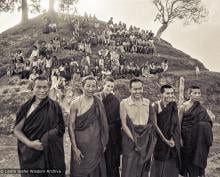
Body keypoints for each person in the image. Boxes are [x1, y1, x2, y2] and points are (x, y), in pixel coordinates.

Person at [14, 76, 66, 177]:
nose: (42, 90)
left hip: (52, 153)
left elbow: (61, 127)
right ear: (33, 87)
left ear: (49, 88)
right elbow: (17, 130)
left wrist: (48, 136)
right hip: (32, 154)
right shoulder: (26, 108)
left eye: (45, 87)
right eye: (38, 87)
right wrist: (30, 143)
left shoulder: (55, 106)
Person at [68, 76, 109, 177]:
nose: (91, 89)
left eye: (93, 86)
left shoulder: (98, 102)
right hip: (80, 146)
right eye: (88, 86)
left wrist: (103, 142)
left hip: (96, 144)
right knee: (80, 170)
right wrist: (75, 148)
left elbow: (103, 123)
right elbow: (70, 126)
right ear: (82, 87)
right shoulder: (75, 104)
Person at [120, 78, 157, 177]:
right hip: (129, 138)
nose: (138, 91)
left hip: (144, 139)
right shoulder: (124, 103)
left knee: (143, 167)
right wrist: (135, 141)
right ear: (130, 89)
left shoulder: (147, 102)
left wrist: (146, 139)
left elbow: (151, 122)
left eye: (140, 88)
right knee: (129, 166)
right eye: (135, 89)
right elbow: (124, 125)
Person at [179, 86, 213, 177]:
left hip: (198, 140)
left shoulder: (201, 108)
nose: (197, 95)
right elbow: (178, 124)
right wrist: (180, 138)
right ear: (189, 94)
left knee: (197, 158)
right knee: (187, 161)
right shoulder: (183, 107)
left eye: (199, 93)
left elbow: (208, 122)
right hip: (187, 139)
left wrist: (205, 125)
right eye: (195, 93)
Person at [150, 85, 181, 177]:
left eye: (172, 93)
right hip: (159, 140)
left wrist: (173, 139)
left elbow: (176, 124)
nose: (170, 95)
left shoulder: (173, 106)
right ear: (161, 94)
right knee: (158, 164)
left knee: (170, 164)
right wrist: (165, 140)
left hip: (172, 140)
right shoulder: (155, 106)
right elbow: (154, 125)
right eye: (167, 93)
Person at [95, 77, 121, 177]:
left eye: (111, 87)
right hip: (97, 132)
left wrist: (110, 128)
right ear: (103, 85)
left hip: (111, 135)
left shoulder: (115, 101)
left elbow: (118, 120)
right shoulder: (96, 97)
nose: (109, 88)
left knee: (110, 160)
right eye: (108, 86)